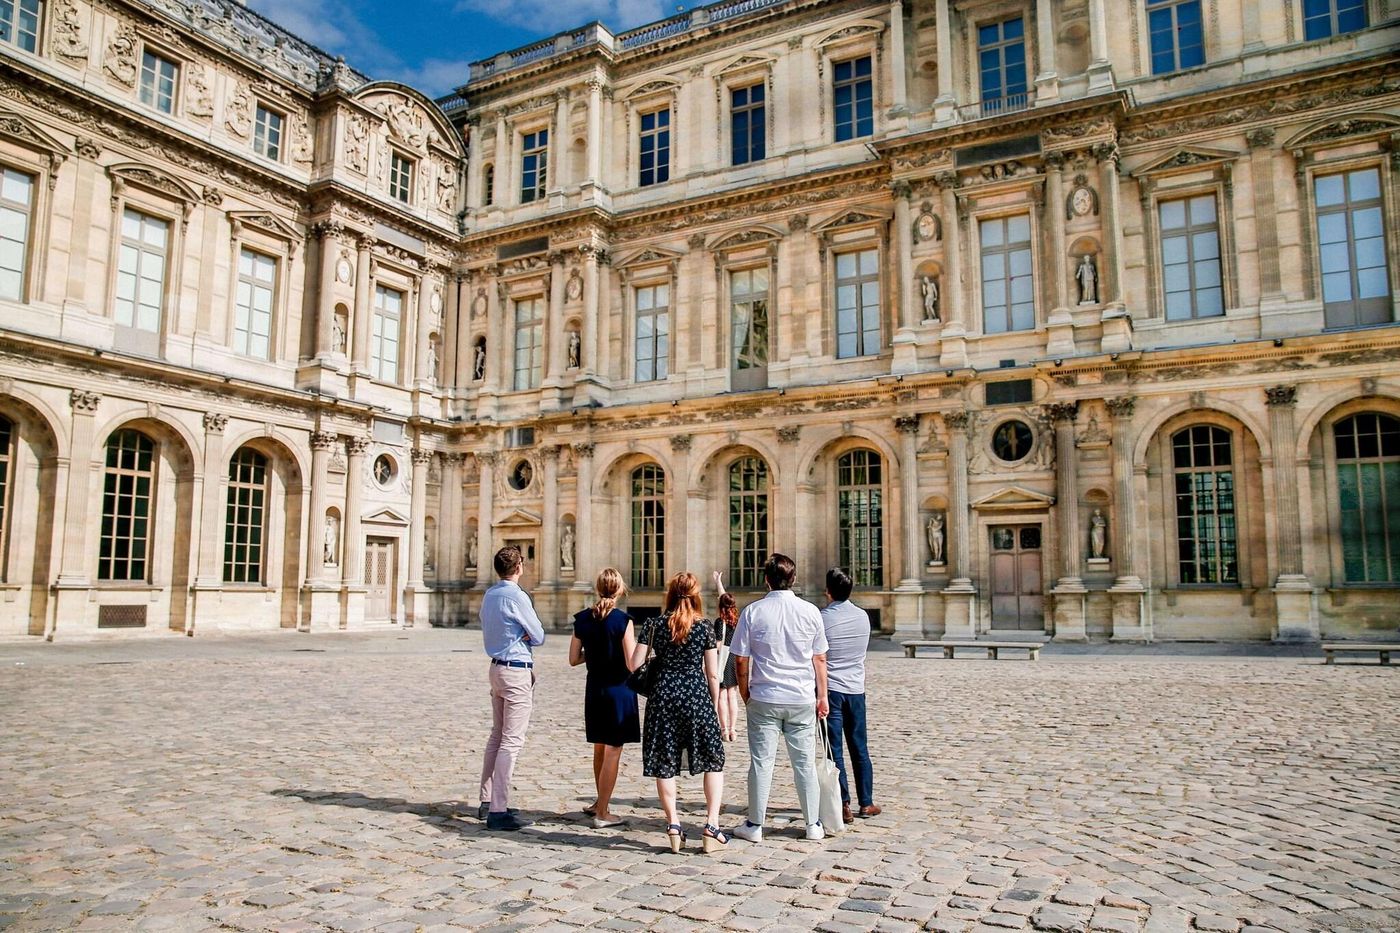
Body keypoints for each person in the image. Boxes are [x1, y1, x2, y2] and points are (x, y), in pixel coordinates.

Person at [730, 553, 830, 843]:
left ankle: (754, 825)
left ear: (766, 580)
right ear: (794, 579)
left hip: (764, 696)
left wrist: (745, 691)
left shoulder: (753, 612)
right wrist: (821, 696)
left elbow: (740, 660)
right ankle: (812, 824)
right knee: (805, 764)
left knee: (761, 763)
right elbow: (820, 659)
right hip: (800, 698)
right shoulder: (811, 612)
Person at [629, 572, 728, 854]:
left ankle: (673, 826)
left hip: (662, 697)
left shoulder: (653, 625)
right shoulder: (704, 627)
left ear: (670, 594)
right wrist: (713, 706)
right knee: (713, 759)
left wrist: (654, 657)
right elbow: (712, 674)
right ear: (696, 595)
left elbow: (635, 664)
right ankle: (711, 826)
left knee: (665, 759)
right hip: (696, 696)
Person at [477, 545, 545, 831]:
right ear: (519, 568)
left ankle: (486, 800)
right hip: (516, 671)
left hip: (495, 668)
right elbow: (539, 635)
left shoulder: (490, 595)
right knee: (511, 741)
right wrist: (526, 635)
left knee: (496, 736)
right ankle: (498, 809)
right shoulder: (517, 597)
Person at [569, 568, 639, 829]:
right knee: (612, 751)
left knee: (599, 747)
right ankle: (603, 813)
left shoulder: (582, 619)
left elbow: (574, 659)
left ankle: (599, 802)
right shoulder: (623, 621)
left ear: (598, 588)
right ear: (619, 590)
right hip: (618, 690)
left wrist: (594, 655)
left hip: (595, 689)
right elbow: (632, 663)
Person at [820, 568, 881, 824]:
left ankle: (843, 803)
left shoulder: (821, 618)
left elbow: (818, 655)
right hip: (856, 690)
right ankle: (866, 802)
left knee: (834, 750)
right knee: (860, 747)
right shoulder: (863, 617)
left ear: (828, 592)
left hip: (832, 690)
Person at [711, 571, 741, 742]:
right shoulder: (736, 619)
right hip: (733, 659)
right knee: (732, 695)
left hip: (722, 659)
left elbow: (718, 645)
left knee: (722, 695)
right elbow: (724, 598)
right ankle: (733, 729)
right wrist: (718, 582)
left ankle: (723, 730)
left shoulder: (718, 622)